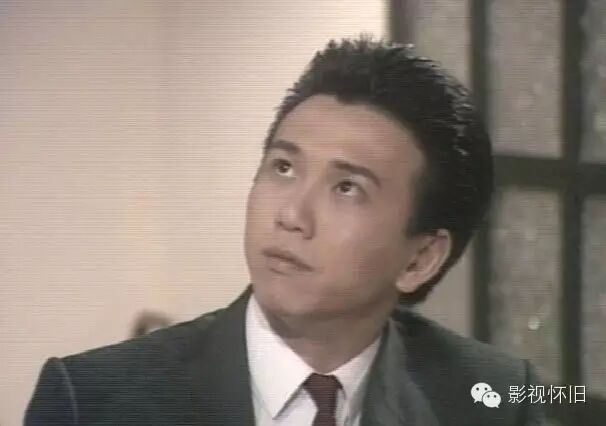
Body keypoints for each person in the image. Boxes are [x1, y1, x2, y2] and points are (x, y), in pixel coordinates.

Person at [25, 36, 546, 425]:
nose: (292, 214)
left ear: (420, 259)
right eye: (283, 167)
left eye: (347, 188)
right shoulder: (92, 402)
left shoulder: (497, 399)